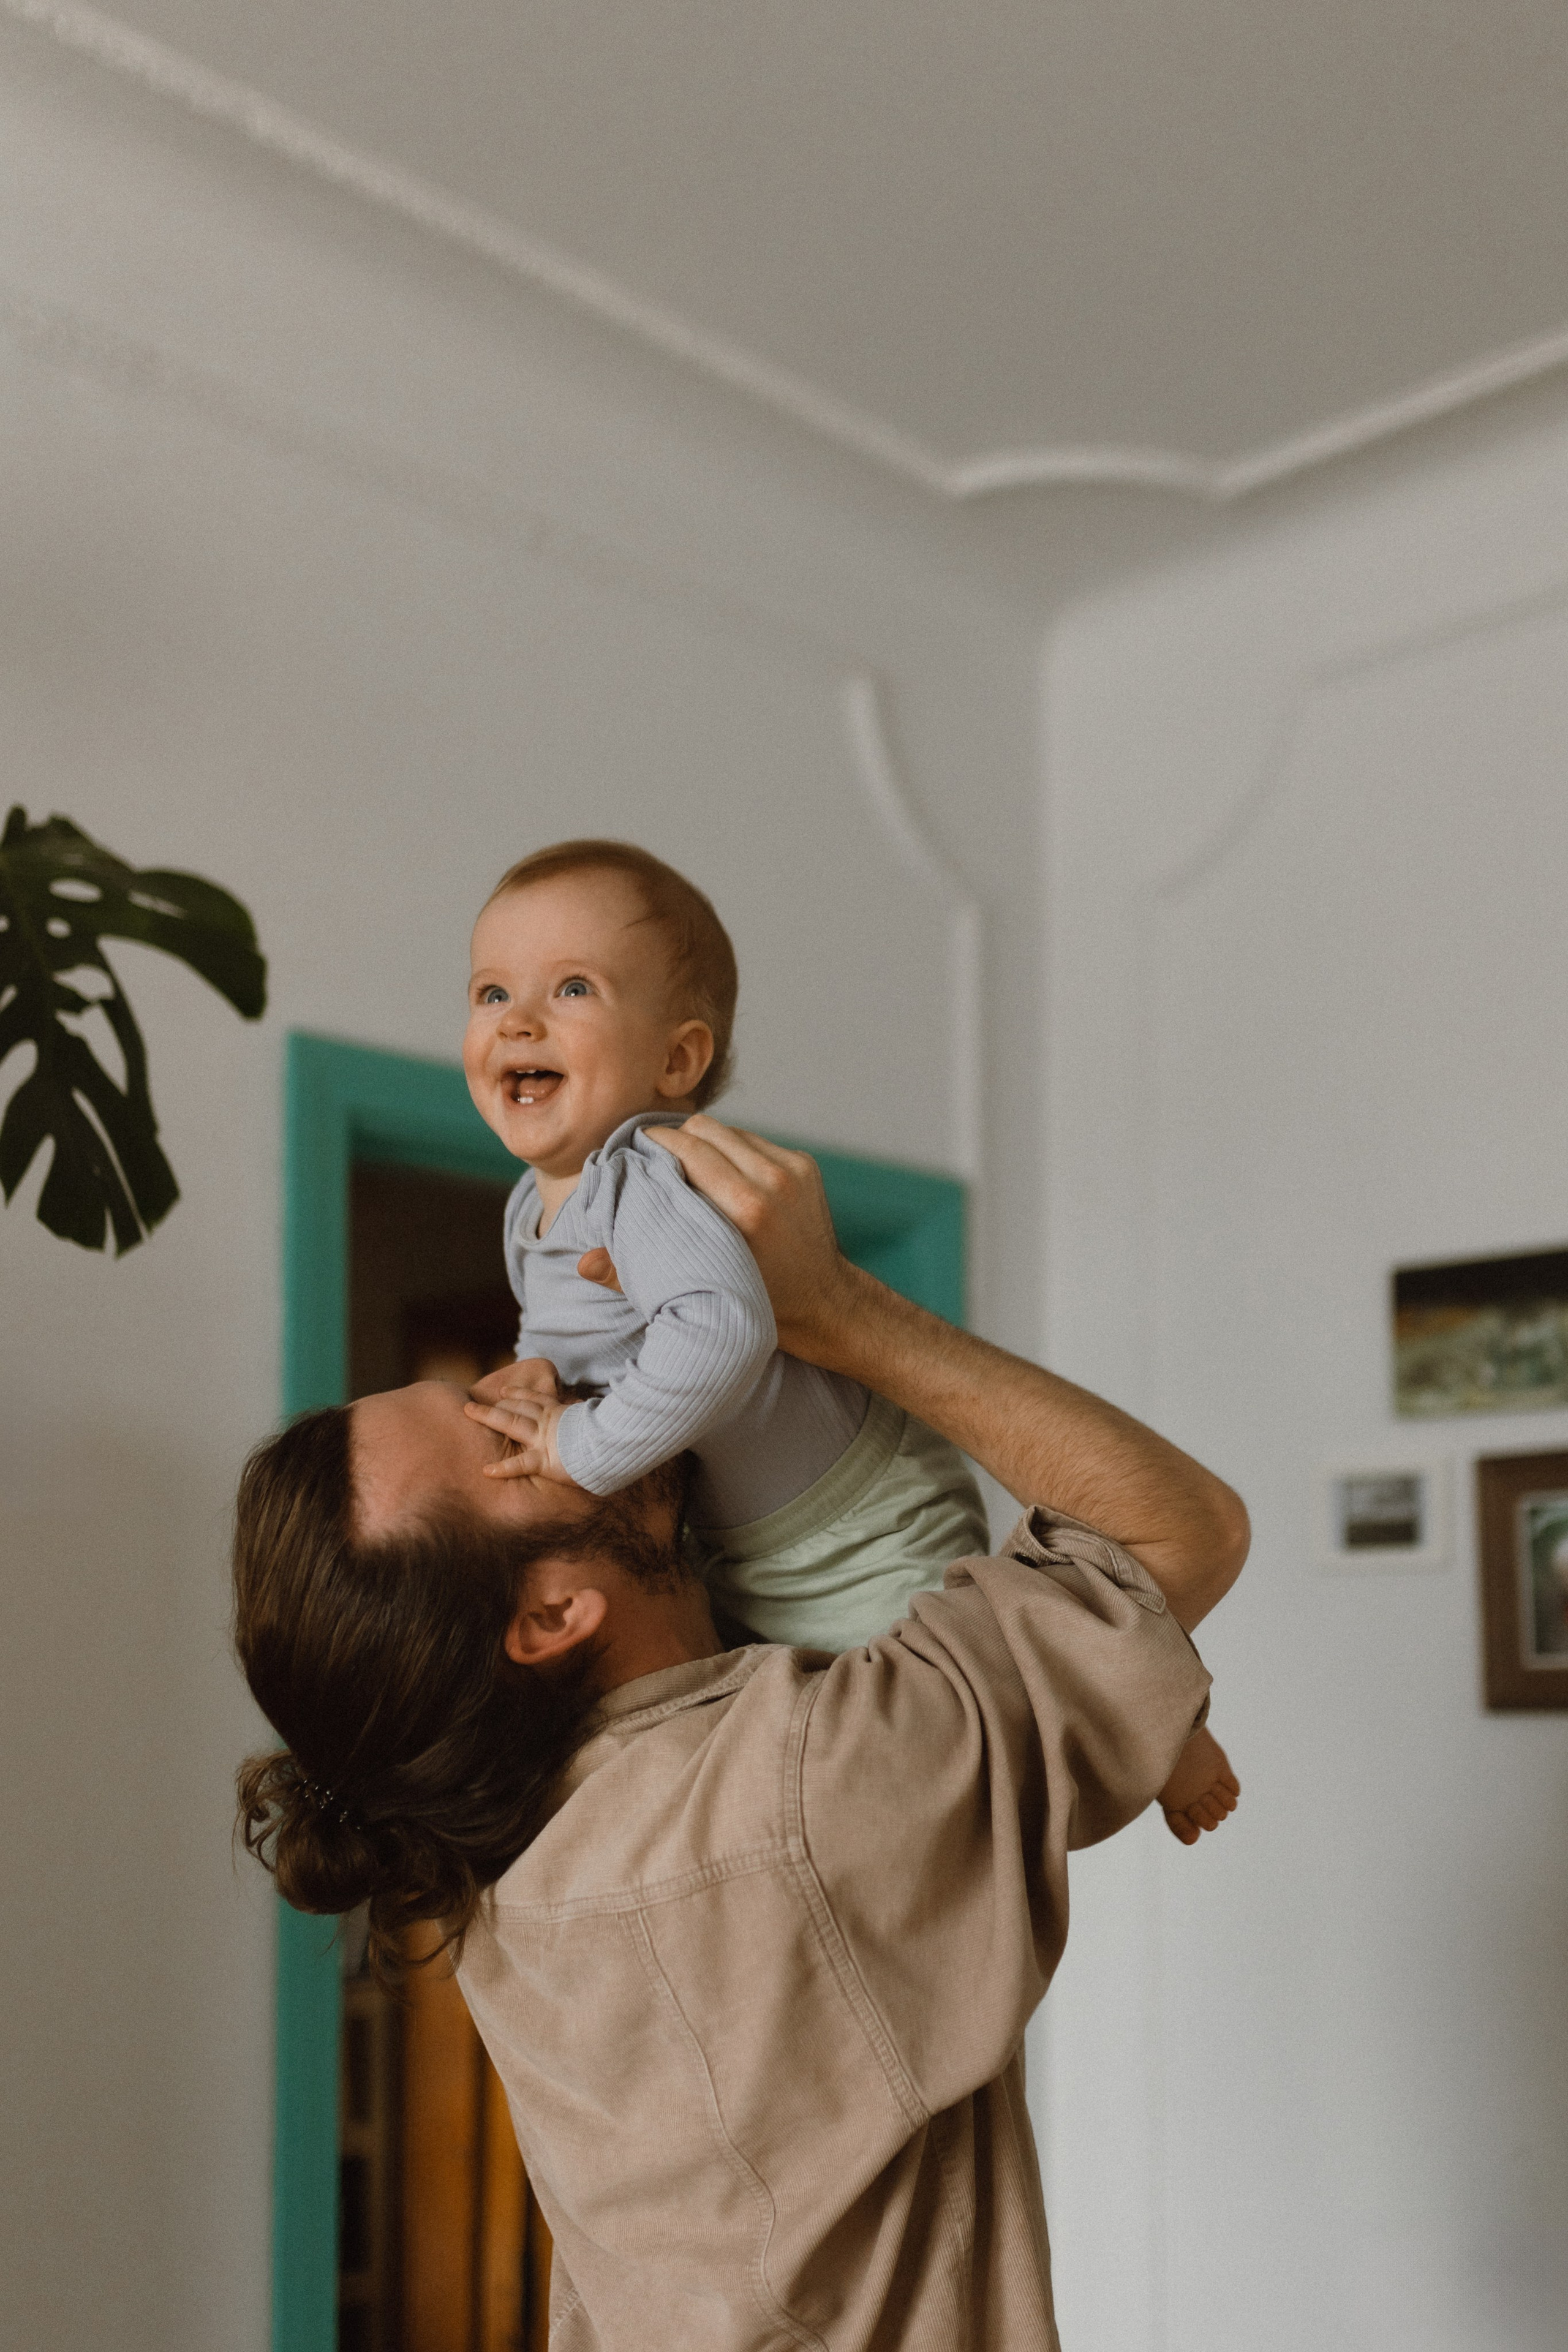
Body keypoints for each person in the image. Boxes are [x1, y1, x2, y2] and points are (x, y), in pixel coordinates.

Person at [235, 1121, 1248, 2348]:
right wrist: (834, 1309)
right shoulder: (797, 1797)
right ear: (551, 1617)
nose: (534, 1378)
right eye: (499, 1435)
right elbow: (1180, 1529)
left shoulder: (511, 1873)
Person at [462, 836, 990, 1652]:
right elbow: (555, 1346)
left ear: (677, 1060)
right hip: (746, 1551)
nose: (518, 1021)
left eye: (573, 988)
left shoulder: (645, 1177)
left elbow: (721, 1329)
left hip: (859, 1535)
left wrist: (581, 1446)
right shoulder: (527, 1208)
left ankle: (1098, 1704)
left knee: (954, 1691)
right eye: (492, 992)